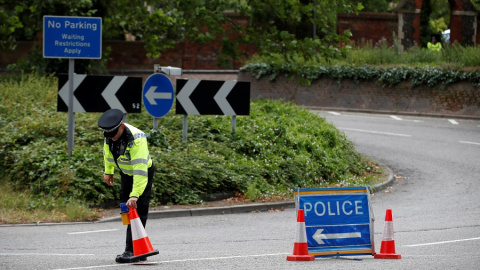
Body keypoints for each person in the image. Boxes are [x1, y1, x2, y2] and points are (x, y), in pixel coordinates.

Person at [97, 109, 155, 263]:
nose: (111, 138)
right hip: (125, 173)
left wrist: (135, 194)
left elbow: (140, 171)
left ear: (121, 127)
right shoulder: (110, 135)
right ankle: (136, 245)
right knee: (126, 209)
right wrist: (108, 171)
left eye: (113, 134)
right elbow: (107, 153)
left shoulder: (137, 139)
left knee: (137, 208)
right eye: (108, 135)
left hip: (142, 174)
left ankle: (131, 250)